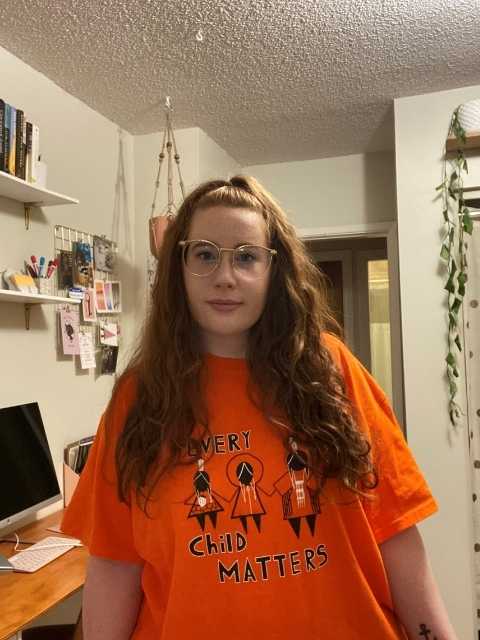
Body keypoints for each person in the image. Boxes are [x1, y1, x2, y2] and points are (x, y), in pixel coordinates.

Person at [61, 176, 458, 640]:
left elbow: (396, 534)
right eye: (205, 254)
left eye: (246, 256)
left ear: (275, 270)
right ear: (179, 267)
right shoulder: (139, 396)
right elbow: (114, 565)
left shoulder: (333, 371)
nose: (225, 276)